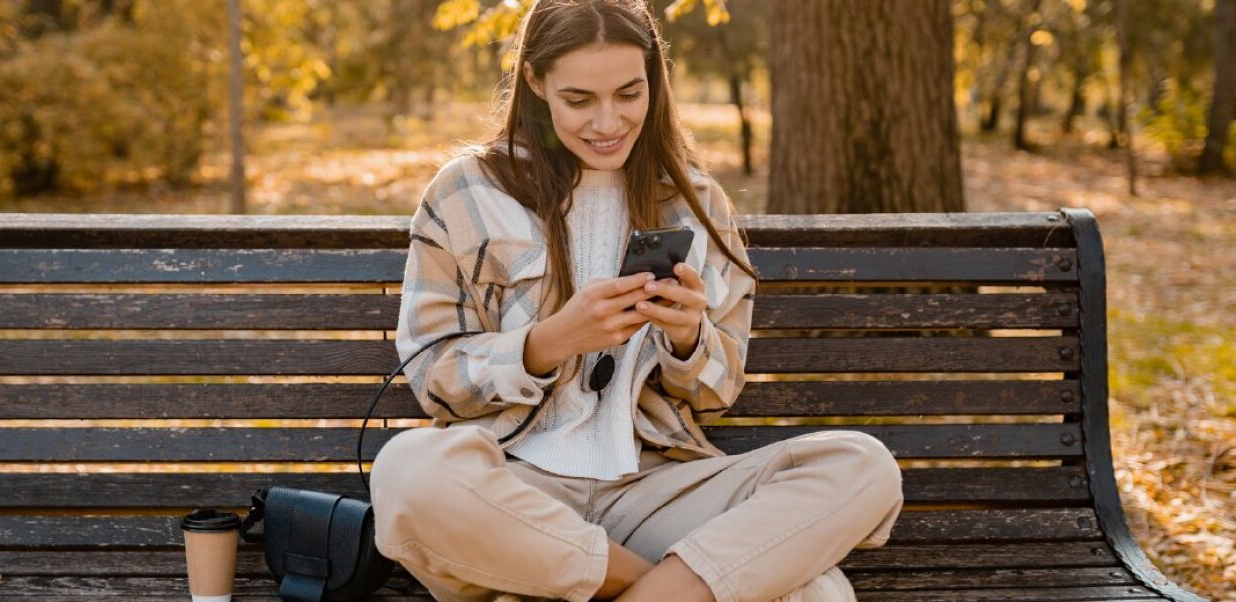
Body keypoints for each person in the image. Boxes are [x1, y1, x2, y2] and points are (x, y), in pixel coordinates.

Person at [369, 1, 903, 601]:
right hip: (515, 495)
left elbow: (717, 393)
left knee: (863, 466)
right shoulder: (466, 191)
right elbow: (434, 377)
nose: (608, 122)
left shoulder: (696, 201)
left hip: (656, 489)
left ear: (654, 79)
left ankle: (587, 587)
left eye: (629, 93)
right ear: (537, 83)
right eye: (580, 100)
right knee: (408, 472)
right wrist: (551, 342)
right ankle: (659, 589)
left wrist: (686, 340)